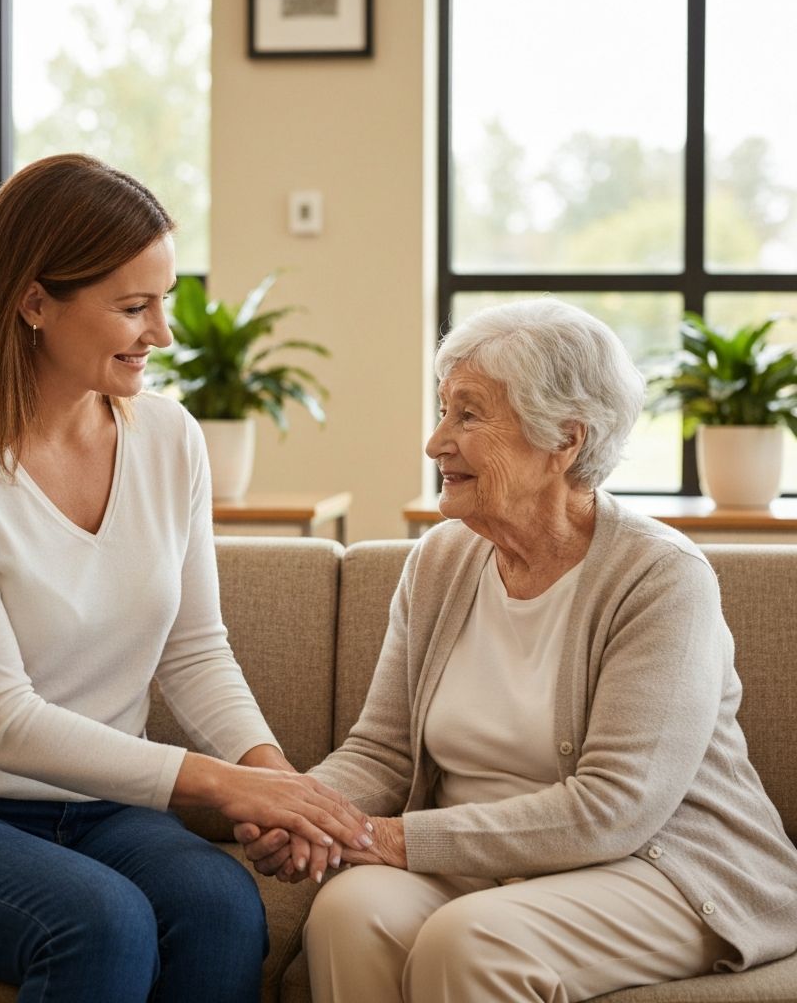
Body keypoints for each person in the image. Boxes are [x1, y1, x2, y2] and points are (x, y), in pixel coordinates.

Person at [0, 154, 373, 1003]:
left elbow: (194, 651)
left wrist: (280, 788)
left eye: (165, 299)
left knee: (222, 905)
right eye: (133, 307)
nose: (163, 333)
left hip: (98, 811)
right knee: (101, 923)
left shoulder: (169, 438)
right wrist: (224, 786)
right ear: (34, 302)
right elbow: (2, 722)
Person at [237, 297, 797, 1002]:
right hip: (487, 869)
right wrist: (306, 810)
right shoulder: (440, 560)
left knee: (471, 939)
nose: (437, 441)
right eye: (443, 410)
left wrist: (389, 838)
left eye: (468, 415)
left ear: (564, 438)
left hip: (658, 866)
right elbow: (382, 751)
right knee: (354, 911)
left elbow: (614, 809)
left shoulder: (661, 579)